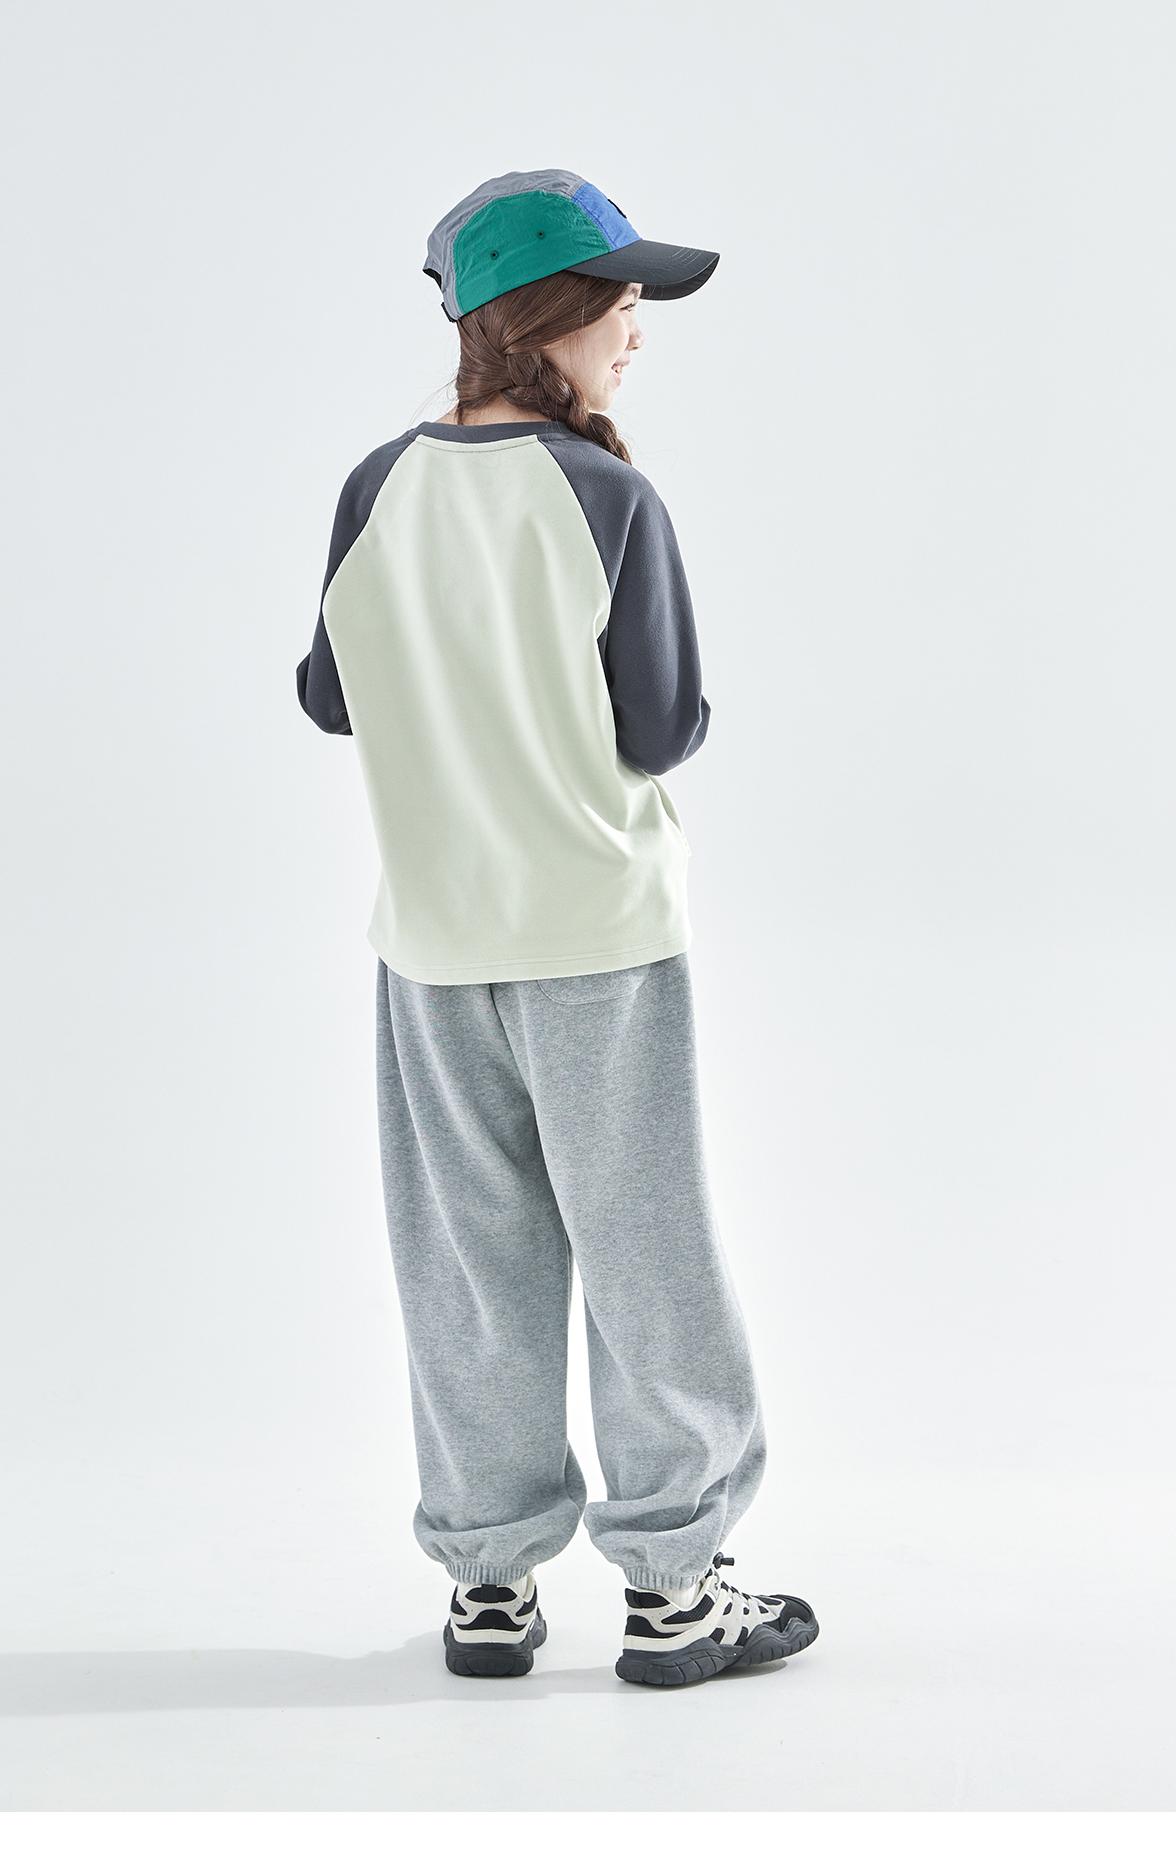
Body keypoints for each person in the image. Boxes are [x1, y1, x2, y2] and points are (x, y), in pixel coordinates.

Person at [297, 170, 819, 1689]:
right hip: (598, 936)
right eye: (625, 305)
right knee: (647, 1253)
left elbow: (329, 697)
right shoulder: (607, 498)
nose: (637, 335)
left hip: (433, 943)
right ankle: (674, 1589)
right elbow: (660, 728)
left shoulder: (375, 488)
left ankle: (488, 1584)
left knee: (470, 1265)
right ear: (552, 319)